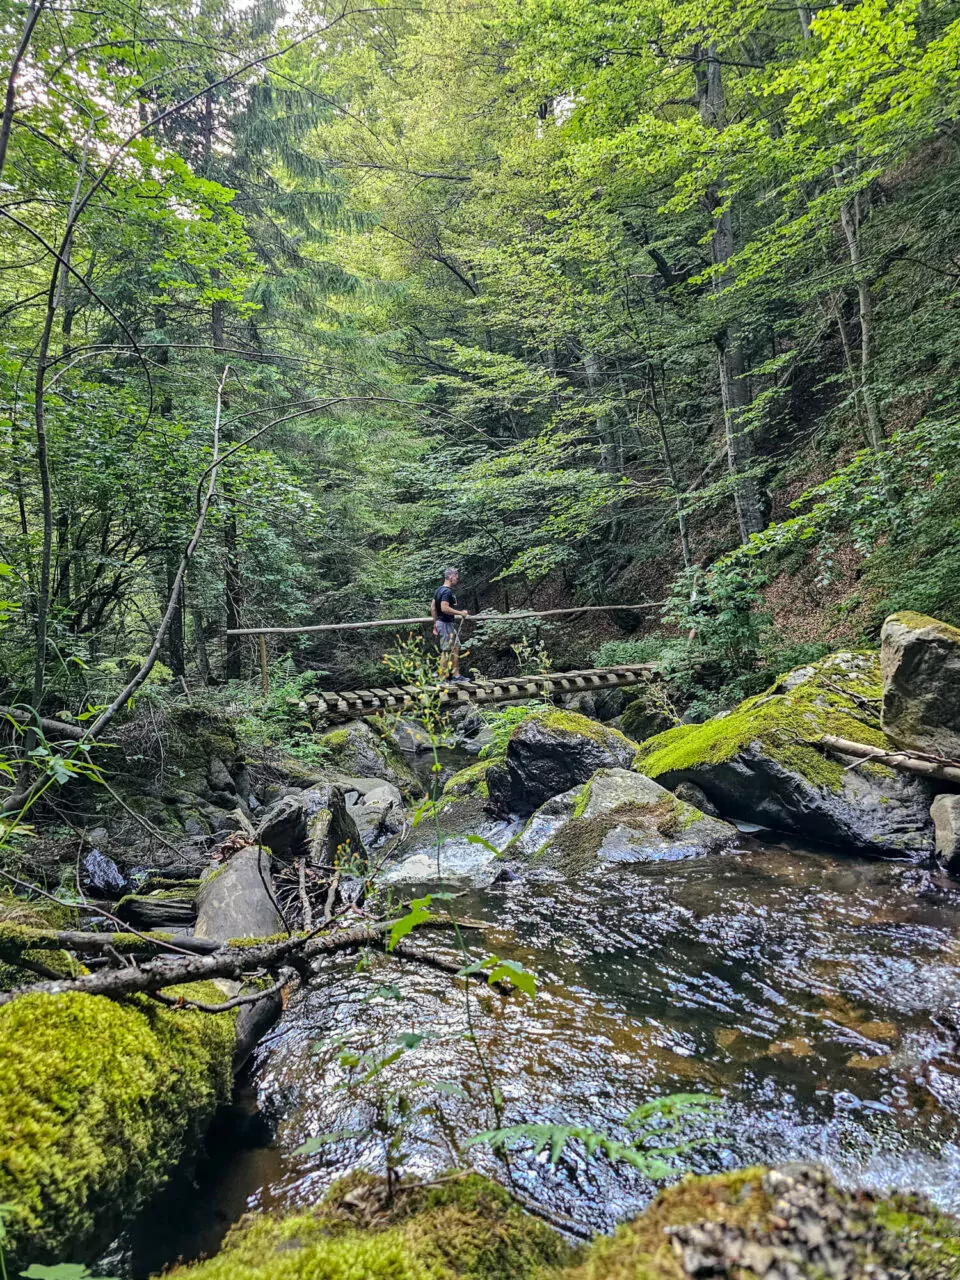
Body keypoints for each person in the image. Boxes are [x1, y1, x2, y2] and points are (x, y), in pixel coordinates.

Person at [431, 567, 470, 682]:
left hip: (442, 623)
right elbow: (444, 608)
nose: (457, 580)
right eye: (456, 578)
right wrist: (461, 613)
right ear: (451, 577)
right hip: (445, 624)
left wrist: (435, 623)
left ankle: (455, 675)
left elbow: (433, 607)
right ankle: (443, 678)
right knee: (447, 650)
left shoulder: (439, 590)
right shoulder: (447, 591)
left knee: (455, 647)